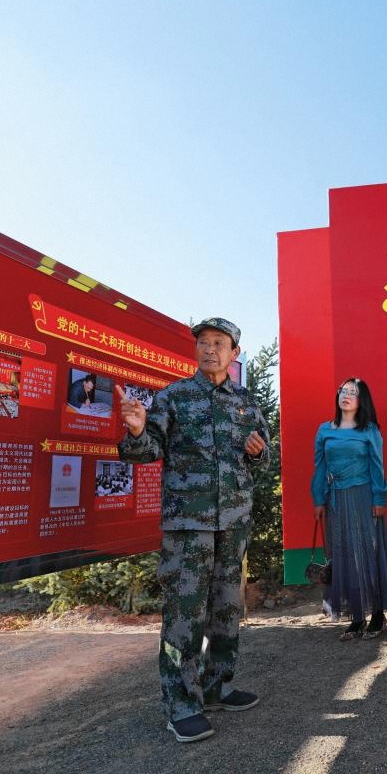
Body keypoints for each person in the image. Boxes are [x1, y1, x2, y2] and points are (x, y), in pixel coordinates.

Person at [117, 317, 269, 744]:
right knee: (184, 613)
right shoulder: (174, 398)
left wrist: (258, 452)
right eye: (203, 342)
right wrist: (136, 429)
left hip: (233, 523)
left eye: (219, 342)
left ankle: (218, 685)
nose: (210, 348)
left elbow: (263, 458)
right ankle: (181, 705)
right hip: (188, 525)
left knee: (226, 607)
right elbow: (145, 451)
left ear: (234, 353)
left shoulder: (246, 403)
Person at [311, 378, 387, 641]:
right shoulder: (324, 430)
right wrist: (318, 499)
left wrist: (380, 498)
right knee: (344, 556)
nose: (346, 395)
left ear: (362, 400)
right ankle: (357, 617)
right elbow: (320, 468)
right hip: (335, 500)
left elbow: (377, 466)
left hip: (364, 497)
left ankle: (378, 615)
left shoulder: (369, 430)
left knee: (369, 554)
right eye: (343, 391)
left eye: (353, 392)